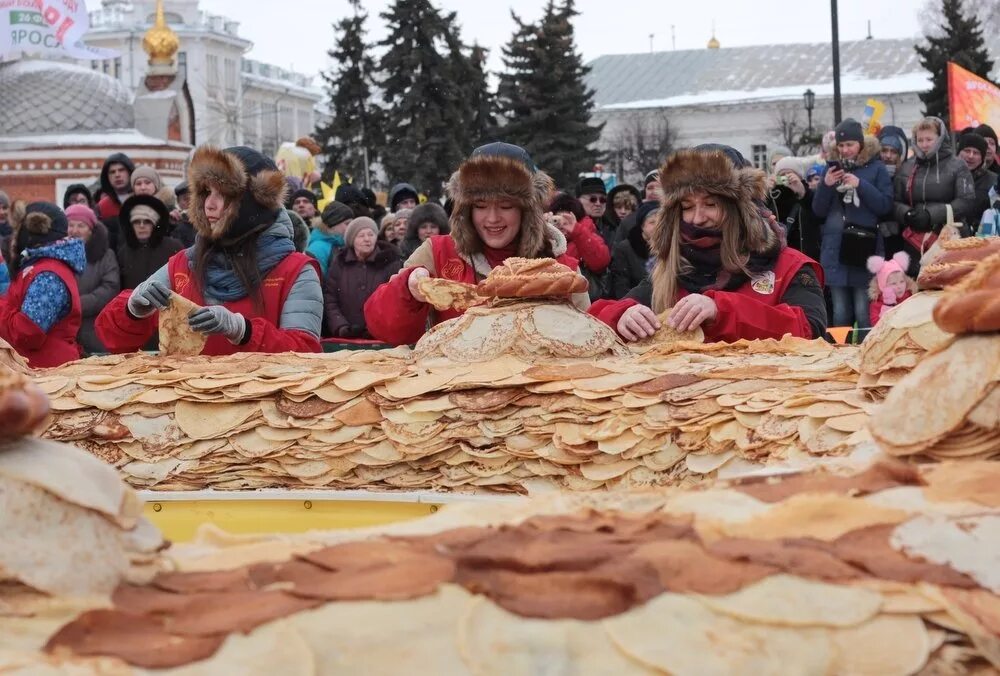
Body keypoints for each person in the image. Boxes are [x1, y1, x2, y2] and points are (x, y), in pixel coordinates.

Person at [96, 145, 323, 355]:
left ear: (252, 202)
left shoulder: (295, 271)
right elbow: (115, 341)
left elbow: (305, 356)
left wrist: (243, 330)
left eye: (223, 194)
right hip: (188, 395)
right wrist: (131, 309)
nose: (209, 205)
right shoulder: (184, 264)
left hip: (261, 398)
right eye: (205, 192)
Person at [590, 146, 827, 343]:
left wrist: (721, 310)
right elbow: (594, 319)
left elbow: (810, 329)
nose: (698, 218)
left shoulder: (789, 266)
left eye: (711, 204)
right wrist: (620, 315)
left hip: (770, 394)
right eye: (687, 207)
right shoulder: (672, 269)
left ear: (741, 210)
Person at [364, 142, 587, 346]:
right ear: (467, 208)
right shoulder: (437, 253)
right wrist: (407, 289)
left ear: (527, 211)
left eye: (506, 206)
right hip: (453, 385)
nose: (492, 218)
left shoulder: (560, 267)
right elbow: (386, 328)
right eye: (481, 205)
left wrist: (616, 314)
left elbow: (589, 331)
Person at [812, 119, 893, 333]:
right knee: (840, 312)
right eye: (841, 146)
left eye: (850, 145)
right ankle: (840, 356)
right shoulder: (830, 171)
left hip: (863, 248)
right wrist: (826, 185)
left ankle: (866, 354)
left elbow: (885, 205)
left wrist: (861, 185)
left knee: (862, 311)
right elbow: (818, 211)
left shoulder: (876, 168)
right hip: (835, 248)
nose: (845, 150)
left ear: (860, 144)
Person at [0, 202, 85, 367]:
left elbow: (27, 333)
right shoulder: (38, 267)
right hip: (37, 369)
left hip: (47, 373)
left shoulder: (48, 275)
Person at [892, 117, 976, 273]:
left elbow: (966, 200)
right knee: (918, 288)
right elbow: (895, 201)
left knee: (948, 288)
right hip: (915, 242)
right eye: (920, 140)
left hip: (948, 238)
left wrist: (931, 215)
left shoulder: (957, 165)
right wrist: (907, 214)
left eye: (929, 139)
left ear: (940, 138)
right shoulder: (907, 167)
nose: (924, 144)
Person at [324, 217, 403, 338]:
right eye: (361, 235)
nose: (367, 239)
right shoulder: (339, 263)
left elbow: (395, 300)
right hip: (344, 338)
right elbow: (330, 299)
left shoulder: (390, 263)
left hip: (381, 337)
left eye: (371, 234)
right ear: (352, 240)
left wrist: (377, 327)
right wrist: (341, 327)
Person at [66, 204, 119, 355]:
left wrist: (76, 305)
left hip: (94, 331)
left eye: (81, 226)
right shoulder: (59, 255)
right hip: (66, 333)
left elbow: (110, 288)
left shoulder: (106, 255)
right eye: (70, 225)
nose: (75, 231)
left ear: (90, 229)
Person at [548, 192, 611, 301]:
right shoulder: (547, 237)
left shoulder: (586, 233)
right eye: (556, 220)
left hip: (584, 298)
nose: (562, 224)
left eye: (567, 219)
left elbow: (601, 262)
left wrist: (577, 231)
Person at [769, 157, 822, 263]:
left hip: (805, 254)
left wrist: (802, 192)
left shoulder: (809, 194)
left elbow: (817, 216)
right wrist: (765, 190)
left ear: (800, 176)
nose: (786, 178)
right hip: (781, 255)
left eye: (790, 174)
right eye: (782, 175)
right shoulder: (773, 196)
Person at [609, 200, 658, 300]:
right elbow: (621, 286)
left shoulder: (670, 246)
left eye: (661, 221)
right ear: (642, 226)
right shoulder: (625, 248)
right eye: (652, 222)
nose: (658, 226)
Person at [956, 132, 997, 226]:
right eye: (967, 150)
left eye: (976, 153)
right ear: (958, 153)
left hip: (981, 237)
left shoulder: (993, 181)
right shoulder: (946, 176)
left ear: (982, 158)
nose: (971, 156)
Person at [867, 252, 914, 326]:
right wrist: (888, 305)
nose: (899, 286)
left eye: (902, 281)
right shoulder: (876, 303)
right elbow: (876, 325)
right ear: (883, 286)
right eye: (893, 283)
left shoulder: (910, 297)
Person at [308, 201, 352, 277]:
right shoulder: (317, 248)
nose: (351, 227)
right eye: (347, 223)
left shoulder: (342, 243)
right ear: (333, 224)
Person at [95, 153, 135, 221]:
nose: (117, 175)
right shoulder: (102, 207)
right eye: (112, 172)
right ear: (107, 177)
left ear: (130, 172)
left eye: (121, 170)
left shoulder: (144, 200)